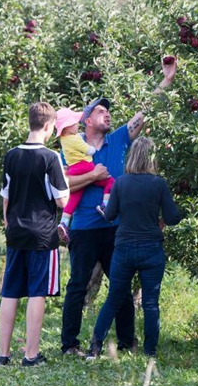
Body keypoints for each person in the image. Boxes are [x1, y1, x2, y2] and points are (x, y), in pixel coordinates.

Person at [60, 56, 177, 356]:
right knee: (77, 285)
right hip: (84, 228)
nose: (107, 114)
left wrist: (166, 80)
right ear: (86, 120)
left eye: (109, 111)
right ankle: (69, 343)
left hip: (115, 228)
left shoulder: (119, 140)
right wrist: (92, 176)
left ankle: (126, 342)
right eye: (101, 111)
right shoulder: (71, 149)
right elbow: (60, 188)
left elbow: (144, 112)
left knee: (121, 289)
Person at [86, 137, 182, 359]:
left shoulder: (121, 182)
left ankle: (95, 347)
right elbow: (173, 217)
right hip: (151, 248)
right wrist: (160, 218)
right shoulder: (158, 184)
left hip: (124, 248)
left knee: (113, 299)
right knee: (150, 302)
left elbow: (110, 215)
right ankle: (150, 351)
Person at [0, 101, 70, 367]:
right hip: (42, 235)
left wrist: (8, 223)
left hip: (15, 231)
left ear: (30, 122)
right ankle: (30, 354)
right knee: (37, 291)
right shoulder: (50, 158)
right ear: (49, 126)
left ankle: (3, 354)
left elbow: (6, 197)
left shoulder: (11, 155)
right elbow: (62, 200)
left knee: (10, 291)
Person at [54, 107, 114, 243]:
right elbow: (89, 150)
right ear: (68, 127)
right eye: (75, 123)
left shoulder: (64, 140)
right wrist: (91, 150)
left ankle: (64, 222)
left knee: (74, 199)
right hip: (85, 166)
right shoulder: (75, 139)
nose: (77, 125)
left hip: (73, 169)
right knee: (110, 182)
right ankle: (105, 204)